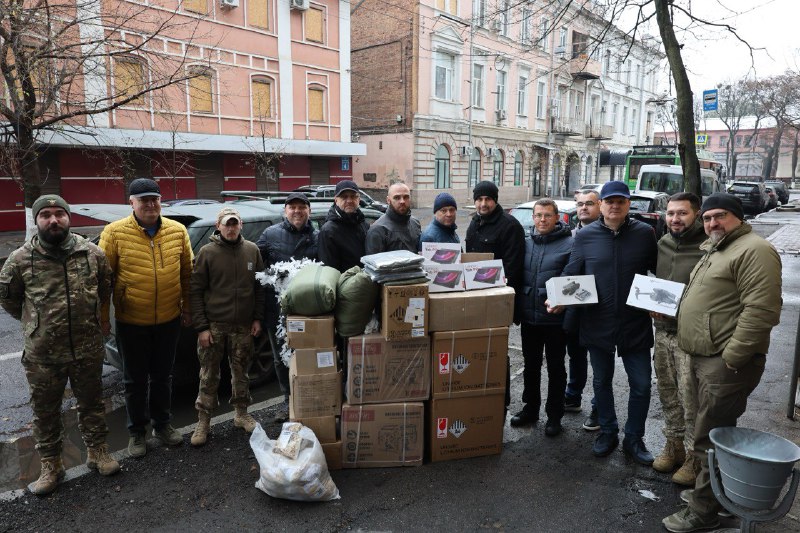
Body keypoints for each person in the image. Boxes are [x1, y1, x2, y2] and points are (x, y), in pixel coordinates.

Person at [662, 193, 781, 533]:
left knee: (707, 438)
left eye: (720, 216)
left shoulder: (754, 250)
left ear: (738, 218)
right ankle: (714, 496)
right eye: (708, 218)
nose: (712, 223)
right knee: (708, 433)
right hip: (704, 357)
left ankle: (703, 513)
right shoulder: (718, 248)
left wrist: (733, 357)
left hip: (723, 363)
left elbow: (762, 311)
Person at [0, 195, 120, 495]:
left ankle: (98, 452)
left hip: (87, 347)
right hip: (43, 355)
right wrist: (36, 324)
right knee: (45, 412)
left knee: (92, 404)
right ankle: (51, 465)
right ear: (37, 221)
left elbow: (105, 289)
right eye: (45, 215)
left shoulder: (92, 253)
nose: (53, 220)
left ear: (68, 218)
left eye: (59, 214)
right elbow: (10, 300)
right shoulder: (20, 259)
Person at [555, 181, 657, 464]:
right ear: (601, 205)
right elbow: (572, 272)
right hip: (596, 321)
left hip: (634, 322)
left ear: (628, 205)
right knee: (602, 381)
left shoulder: (645, 233)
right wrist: (557, 296)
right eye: (609, 201)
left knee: (642, 385)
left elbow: (658, 272)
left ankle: (634, 439)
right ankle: (608, 432)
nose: (614, 205)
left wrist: (662, 302)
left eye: (620, 201)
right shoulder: (585, 236)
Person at [99, 178, 193, 458]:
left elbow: (188, 274)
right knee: (134, 380)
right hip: (132, 321)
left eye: (154, 199)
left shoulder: (177, 232)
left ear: (160, 202)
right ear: (132, 203)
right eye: (144, 200)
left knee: (164, 376)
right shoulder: (114, 233)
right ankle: (136, 432)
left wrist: (187, 309)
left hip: (169, 318)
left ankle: (162, 425)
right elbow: (104, 281)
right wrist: (104, 319)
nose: (150, 205)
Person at [189, 207, 265, 446]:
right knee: (209, 374)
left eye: (235, 223)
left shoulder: (252, 250)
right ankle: (203, 421)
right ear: (218, 226)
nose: (231, 228)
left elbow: (260, 287)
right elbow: (196, 290)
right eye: (227, 224)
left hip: (243, 325)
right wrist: (201, 327)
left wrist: (257, 318)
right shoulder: (207, 252)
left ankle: (241, 414)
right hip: (215, 325)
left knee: (241, 372)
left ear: (240, 225)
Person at [651, 192, 706, 487]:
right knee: (667, 391)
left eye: (682, 213)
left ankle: (693, 458)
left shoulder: (708, 247)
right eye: (671, 213)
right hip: (662, 331)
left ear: (696, 214)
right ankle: (673, 445)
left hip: (690, 335)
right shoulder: (663, 243)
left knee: (691, 398)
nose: (675, 219)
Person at [512, 199, 573, 436]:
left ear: (557, 217)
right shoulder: (526, 243)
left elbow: (574, 279)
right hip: (530, 318)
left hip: (555, 319)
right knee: (531, 365)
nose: (542, 220)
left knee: (556, 368)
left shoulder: (570, 244)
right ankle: (531, 408)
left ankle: (554, 415)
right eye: (538, 215)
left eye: (548, 215)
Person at [465, 180, 525, 415]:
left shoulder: (509, 226)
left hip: (496, 300)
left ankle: (501, 402)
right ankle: (477, 395)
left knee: (497, 352)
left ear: (495, 200)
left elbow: (512, 267)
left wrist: (494, 292)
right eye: (479, 199)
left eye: (487, 199)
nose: (483, 203)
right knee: (477, 351)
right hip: (474, 298)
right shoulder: (474, 223)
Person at [256, 193, 318, 407]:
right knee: (280, 357)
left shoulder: (318, 236)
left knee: (307, 353)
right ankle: (287, 400)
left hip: (308, 308)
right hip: (277, 308)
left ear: (309, 211)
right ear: (285, 211)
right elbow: (256, 267)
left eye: (302, 207)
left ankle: (308, 397)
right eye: (292, 207)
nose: (297, 211)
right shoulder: (270, 234)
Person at [563, 189, 602, 431]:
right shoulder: (571, 235)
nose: (584, 208)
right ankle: (573, 395)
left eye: (589, 203)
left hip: (600, 309)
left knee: (599, 362)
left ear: (600, 206)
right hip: (575, 306)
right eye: (579, 204)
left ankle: (599, 407)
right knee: (575, 354)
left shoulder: (606, 234)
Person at [318, 180, 369, 272]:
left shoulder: (363, 224)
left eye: (353, 196)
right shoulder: (328, 231)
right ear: (336, 200)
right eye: (344, 197)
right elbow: (328, 269)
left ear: (359, 199)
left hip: (365, 281)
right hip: (343, 284)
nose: (349, 201)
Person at [365, 182, 421, 254]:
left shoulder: (415, 223)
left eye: (406, 197)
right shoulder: (377, 230)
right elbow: (373, 263)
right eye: (397, 197)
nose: (402, 201)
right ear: (388, 200)